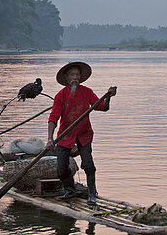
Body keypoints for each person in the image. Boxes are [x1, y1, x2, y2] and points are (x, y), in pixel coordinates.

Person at [47, 61, 116, 203]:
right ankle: (70, 190)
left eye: (77, 75)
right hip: (65, 135)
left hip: (84, 134)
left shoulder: (87, 92)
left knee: (89, 165)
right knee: (61, 168)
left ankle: (92, 193)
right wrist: (50, 139)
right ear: (66, 77)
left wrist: (108, 96)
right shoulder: (60, 96)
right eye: (72, 75)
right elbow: (53, 118)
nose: (75, 78)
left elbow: (102, 107)